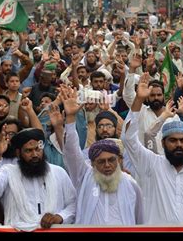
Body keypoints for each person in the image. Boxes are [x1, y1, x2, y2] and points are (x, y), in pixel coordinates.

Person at [122, 73, 183, 225]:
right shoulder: (151, 163)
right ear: (164, 143)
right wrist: (139, 99)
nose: (179, 144)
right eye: (173, 140)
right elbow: (129, 139)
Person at [61, 86, 144, 225]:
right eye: (101, 161)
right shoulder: (85, 175)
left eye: (111, 160)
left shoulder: (131, 183)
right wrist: (70, 118)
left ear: (119, 160)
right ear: (92, 163)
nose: (107, 165)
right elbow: (71, 151)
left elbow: (139, 219)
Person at [0, 128, 76, 230]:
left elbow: (73, 204)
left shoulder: (59, 172)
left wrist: (60, 217)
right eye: (28, 151)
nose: (35, 154)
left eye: (38, 149)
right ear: (18, 153)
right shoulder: (8, 172)